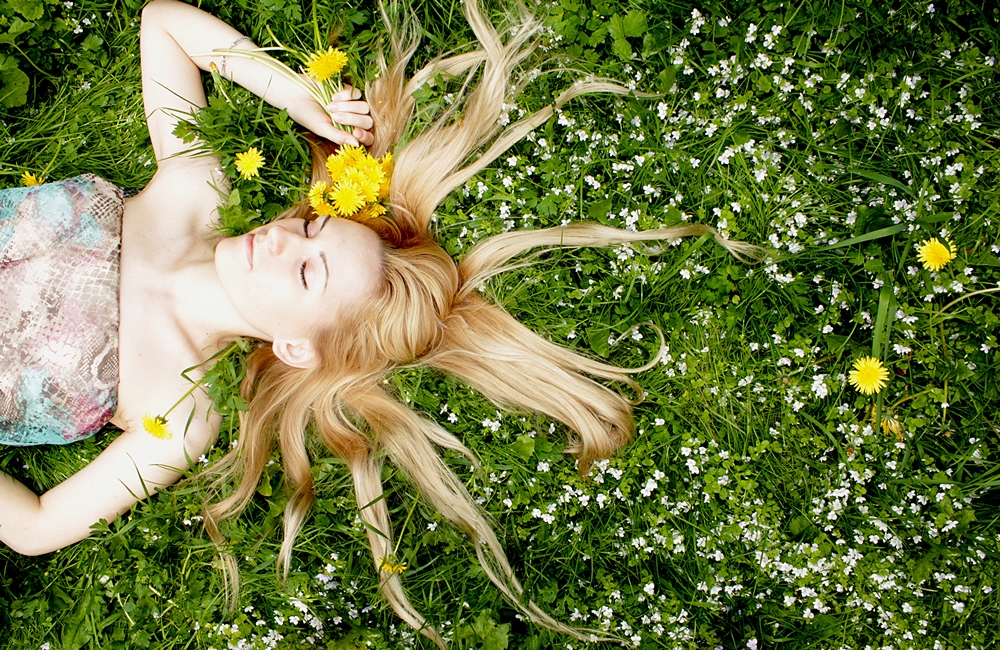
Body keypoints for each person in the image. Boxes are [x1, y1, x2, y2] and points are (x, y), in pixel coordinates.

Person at [1, 0, 760, 645]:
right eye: (308, 231)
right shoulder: (191, 192)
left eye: (306, 272)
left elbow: (36, 526)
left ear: (296, 346)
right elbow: (160, 22)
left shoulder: (182, 410)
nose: (282, 240)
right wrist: (292, 92)